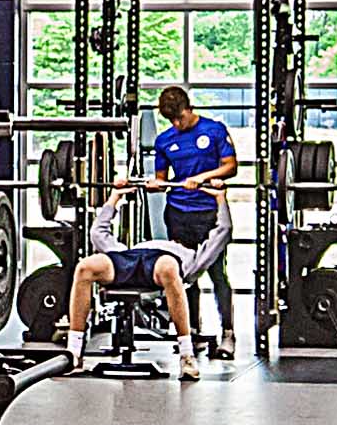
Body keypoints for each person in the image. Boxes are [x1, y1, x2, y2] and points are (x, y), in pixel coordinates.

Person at [55, 83, 243, 371]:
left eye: (179, 118)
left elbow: (231, 166)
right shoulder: (165, 140)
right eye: (171, 120)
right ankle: (192, 332)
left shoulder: (214, 130)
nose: (176, 124)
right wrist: (150, 185)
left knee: (217, 274)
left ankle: (227, 334)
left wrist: (207, 180)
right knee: (184, 280)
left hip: (207, 209)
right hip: (178, 212)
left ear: (189, 108)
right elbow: (161, 178)